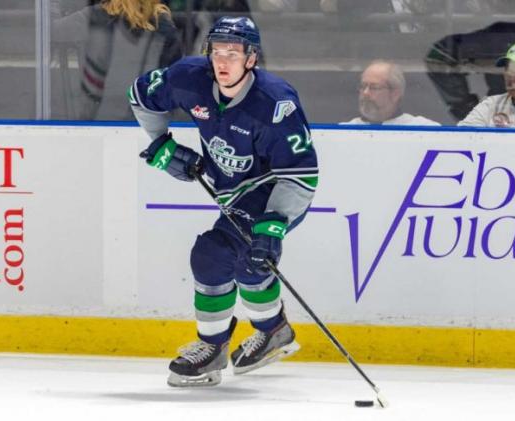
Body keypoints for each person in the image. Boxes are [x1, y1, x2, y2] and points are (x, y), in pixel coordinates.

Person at [129, 16, 318, 387]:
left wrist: (273, 224)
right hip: (232, 189)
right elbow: (140, 94)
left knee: (213, 254)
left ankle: (212, 347)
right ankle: (273, 329)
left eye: (233, 53)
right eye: (217, 51)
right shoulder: (189, 78)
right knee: (249, 266)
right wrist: (161, 145)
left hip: (276, 188)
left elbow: (301, 173)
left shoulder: (277, 104)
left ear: (252, 58)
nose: (223, 61)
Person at [426, 0, 515, 122]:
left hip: (502, 132)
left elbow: (438, 56)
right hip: (504, 131)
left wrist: (464, 107)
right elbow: (439, 56)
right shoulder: (506, 35)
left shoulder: (507, 35)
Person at [51, 0, 182, 120]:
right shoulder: (163, 24)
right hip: (148, 114)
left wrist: (54, 6)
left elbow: (50, 31)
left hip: (99, 114)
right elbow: (174, 77)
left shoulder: (93, 17)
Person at [341, 60, 440, 125]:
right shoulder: (341, 132)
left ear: (395, 94)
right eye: (363, 87)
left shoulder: (424, 130)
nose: (365, 93)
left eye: (374, 88)